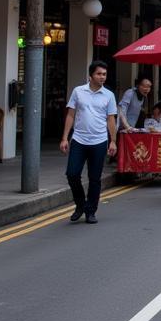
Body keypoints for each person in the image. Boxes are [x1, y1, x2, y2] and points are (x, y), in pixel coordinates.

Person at [60, 61, 118, 224]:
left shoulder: (109, 95)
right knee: (72, 174)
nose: (102, 77)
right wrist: (65, 138)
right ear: (91, 75)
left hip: (99, 141)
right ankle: (80, 204)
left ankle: (91, 211)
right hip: (79, 139)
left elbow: (111, 119)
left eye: (104, 74)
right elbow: (71, 114)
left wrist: (113, 141)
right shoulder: (78, 91)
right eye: (99, 74)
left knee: (94, 178)